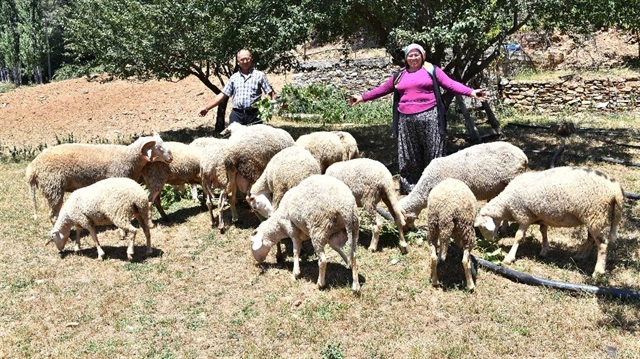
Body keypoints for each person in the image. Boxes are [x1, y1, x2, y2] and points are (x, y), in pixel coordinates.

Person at [349, 43, 488, 194]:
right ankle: (411, 190)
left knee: (433, 153)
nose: (413, 58)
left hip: (430, 117)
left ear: (423, 56)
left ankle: (435, 188)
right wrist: (362, 97)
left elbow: (450, 84)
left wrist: (471, 92)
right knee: (409, 155)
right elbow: (382, 89)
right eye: (410, 55)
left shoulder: (432, 71)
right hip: (406, 120)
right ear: (406, 57)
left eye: (417, 55)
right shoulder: (399, 75)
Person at [198, 49, 276, 130]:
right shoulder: (234, 77)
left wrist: (278, 104)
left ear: (251, 59)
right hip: (237, 115)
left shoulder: (260, 75)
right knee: (235, 141)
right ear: (238, 61)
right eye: (242, 59)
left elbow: (271, 93)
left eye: (247, 59)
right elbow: (222, 95)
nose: (245, 61)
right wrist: (207, 108)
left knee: (255, 140)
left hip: (254, 115)